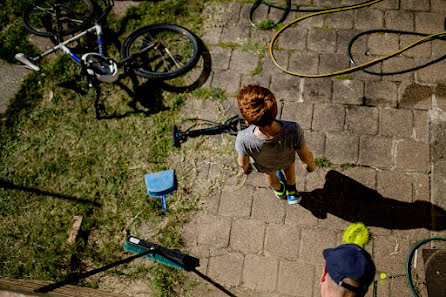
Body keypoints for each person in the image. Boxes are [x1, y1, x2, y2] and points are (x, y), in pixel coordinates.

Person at [235, 85, 316, 205]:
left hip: (265, 165)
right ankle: (292, 191)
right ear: (275, 109)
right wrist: (311, 165)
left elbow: (242, 162)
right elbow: (305, 156)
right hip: (286, 160)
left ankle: (279, 191)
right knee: (290, 172)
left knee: (271, 176)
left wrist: (246, 169)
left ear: (247, 121)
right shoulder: (293, 129)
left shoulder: (243, 138)